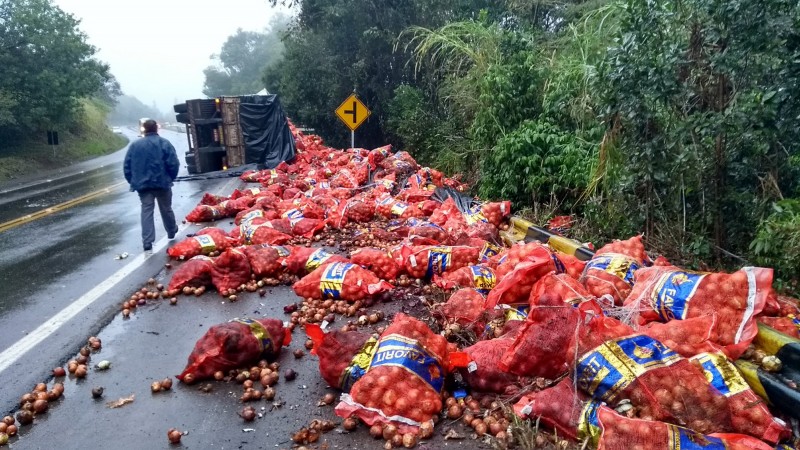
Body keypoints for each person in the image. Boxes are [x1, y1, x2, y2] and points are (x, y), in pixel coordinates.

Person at [123, 119, 180, 254]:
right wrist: (170, 178)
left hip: (143, 186)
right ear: (156, 129)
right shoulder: (164, 143)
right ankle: (171, 231)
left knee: (146, 211)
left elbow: (127, 166)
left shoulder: (135, 145)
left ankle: (147, 242)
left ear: (144, 129)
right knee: (166, 208)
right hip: (162, 183)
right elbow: (173, 163)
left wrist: (133, 181)